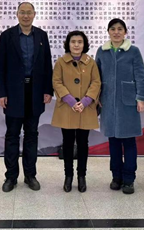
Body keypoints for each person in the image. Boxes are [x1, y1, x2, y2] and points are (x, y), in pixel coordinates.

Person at [0, 2, 53, 192]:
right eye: (22, 12)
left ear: (34, 14)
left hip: (35, 92)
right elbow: (0, 66)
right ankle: (11, 177)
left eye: (29, 12)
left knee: (31, 135)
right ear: (17, 14)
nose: (26, 16)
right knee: (12, 135)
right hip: (13, 93)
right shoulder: (7, 36)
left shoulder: (41, 35)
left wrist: (48, 90)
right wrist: (1, 93)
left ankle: (30, 175)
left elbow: (47, 65)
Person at [95, 18, 144, 195]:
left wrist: (141, 97)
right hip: (108, 102)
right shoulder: (102, 51)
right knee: (113, 142)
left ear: (125, 32)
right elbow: (96, 77)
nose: (116, 32)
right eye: (113, 29)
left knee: (129, 141)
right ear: (108, 32)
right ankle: (116, 176)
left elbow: (140, 75)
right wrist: (97, 97)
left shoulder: (133, 51)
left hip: (128, 102)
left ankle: (129, 178)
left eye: (120, 29)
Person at [51, 31, 101, 193]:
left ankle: (81, 176)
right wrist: (71, 101)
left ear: (84, 44)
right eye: (73, 42)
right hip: (67, 108)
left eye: (80, 42)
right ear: (68, 44)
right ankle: (68, 176)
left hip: (85, 109)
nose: (76, 45)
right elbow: (56, 82)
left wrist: (85, 101)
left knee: (83, 143)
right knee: (67, 143)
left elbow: (96, 82)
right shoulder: (61, 62)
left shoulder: (91, 62)